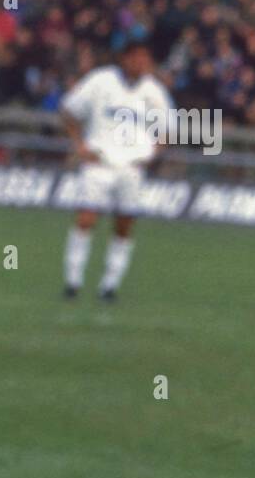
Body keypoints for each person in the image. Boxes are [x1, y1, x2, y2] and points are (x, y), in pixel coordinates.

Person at [60, 31, 173, 302]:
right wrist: (80, 145)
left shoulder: (153, 91)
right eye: (136, 57)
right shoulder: (101, 80)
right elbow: (69, 110)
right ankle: (73, 281)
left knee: (124, 225)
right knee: (86, 218)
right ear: (125, 58)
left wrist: (151, 154)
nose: (141, 62)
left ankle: (109, 285)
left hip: (131, 167)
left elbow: (168, 129)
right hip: (99, 162)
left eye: (145, 58)